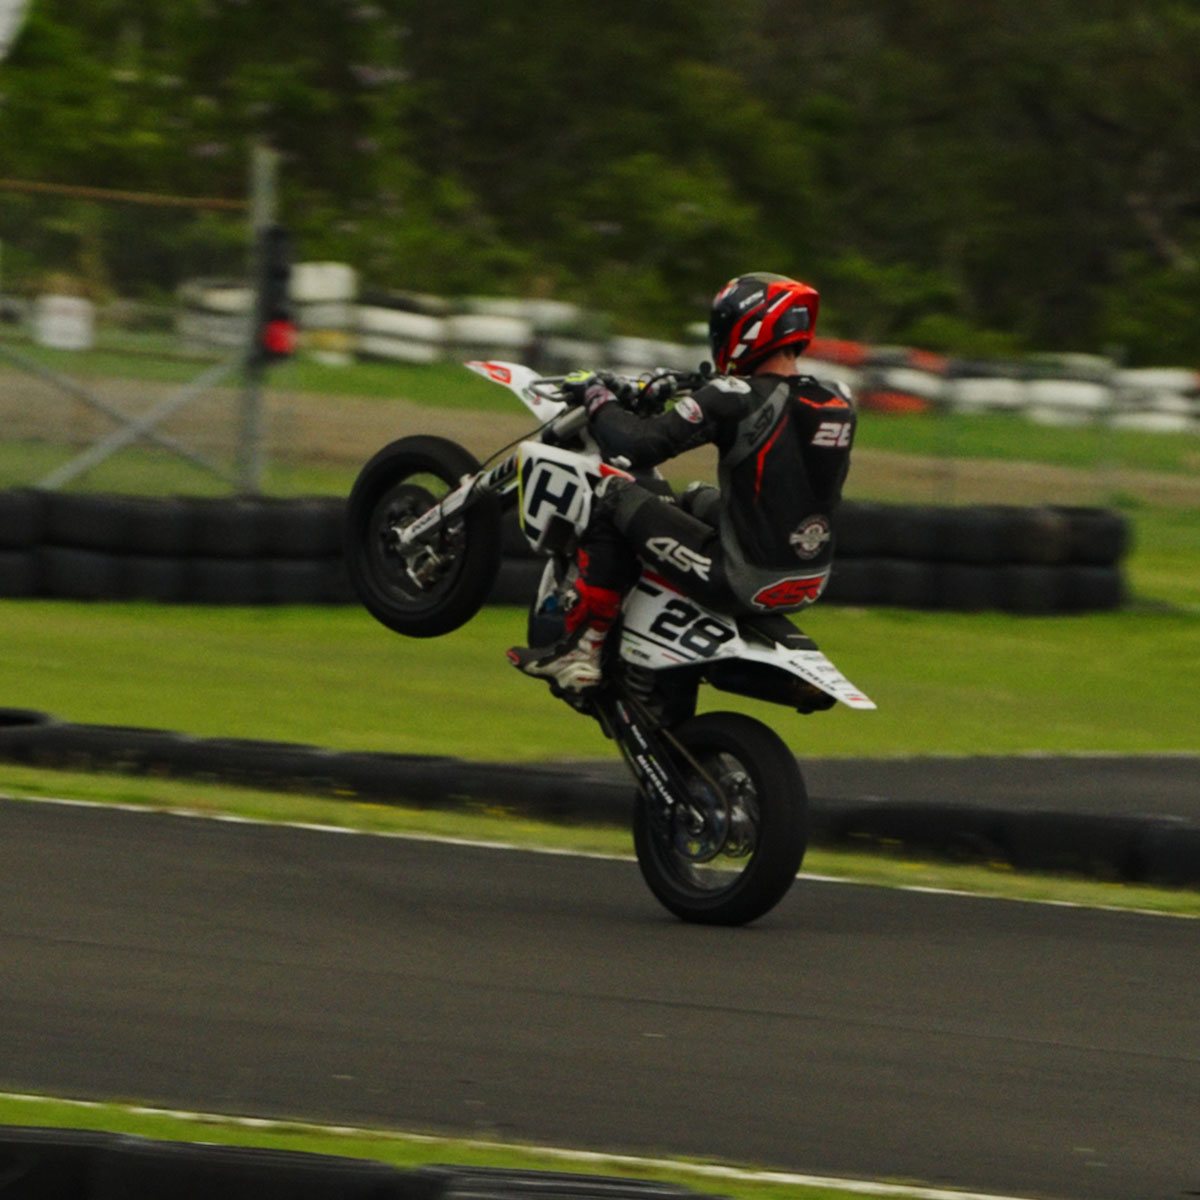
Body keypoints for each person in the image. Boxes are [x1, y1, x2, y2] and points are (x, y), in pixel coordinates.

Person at [507, 271, 856, 693]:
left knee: (611, 493)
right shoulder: (837, 397)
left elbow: (637, 446)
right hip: (806, 580)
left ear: (748, 328)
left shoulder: (733, 397)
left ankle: (582, 650)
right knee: (691, 496)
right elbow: (765, 405)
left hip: (742, 577)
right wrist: (691, 387)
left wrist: (599, 397)